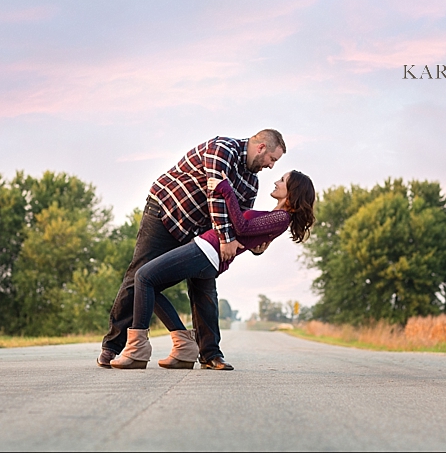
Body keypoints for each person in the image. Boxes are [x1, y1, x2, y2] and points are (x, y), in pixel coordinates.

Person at [97, 130, 287, 370]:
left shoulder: (251, 182)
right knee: (139, 275)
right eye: (272, 159)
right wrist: (226, 238)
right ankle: (113, 346)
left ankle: (210, 354)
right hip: (167, 215)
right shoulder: (223, 149)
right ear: (261, 147)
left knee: (205, 287)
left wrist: (255, 246)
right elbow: (215, 197)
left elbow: (240, 220)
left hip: (202, 233)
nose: (271, 166)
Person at [110, 170, 316, 369]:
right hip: (207, 251)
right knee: (148, 287)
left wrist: (226, 189)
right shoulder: (276, 216)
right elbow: (248, 234)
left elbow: (242, 226)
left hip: (206, 251)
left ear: (293, 191)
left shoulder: (281, 218)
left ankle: (137, 350)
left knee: (143, 277)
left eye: (282, 180)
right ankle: (184, 347)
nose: (276, 182)